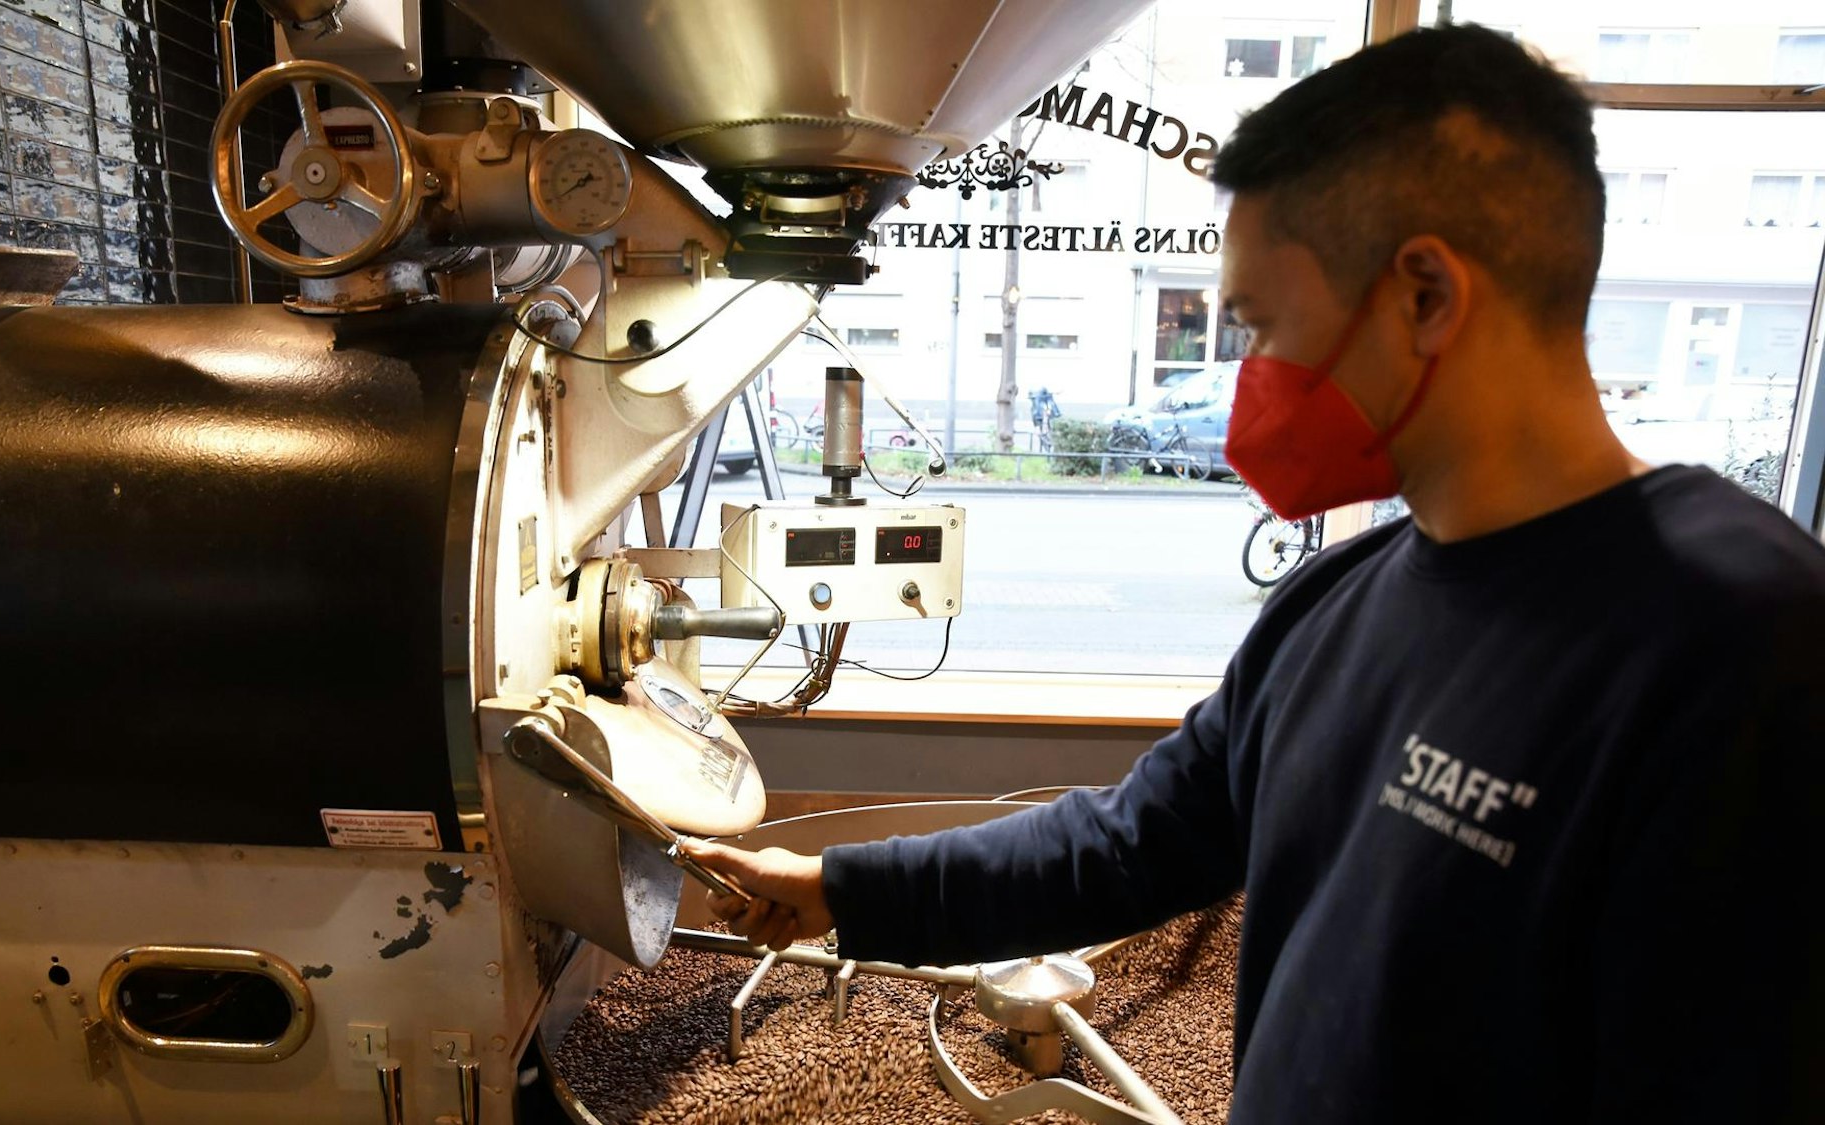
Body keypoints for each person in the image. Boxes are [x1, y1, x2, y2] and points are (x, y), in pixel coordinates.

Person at [683, 23, 1825, 1123]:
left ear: (1424, 296)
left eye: (1260, 325)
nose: (1249, 380)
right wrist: (840, 887)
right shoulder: (1337, 599)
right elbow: (1132, 841)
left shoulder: (1742, 644)